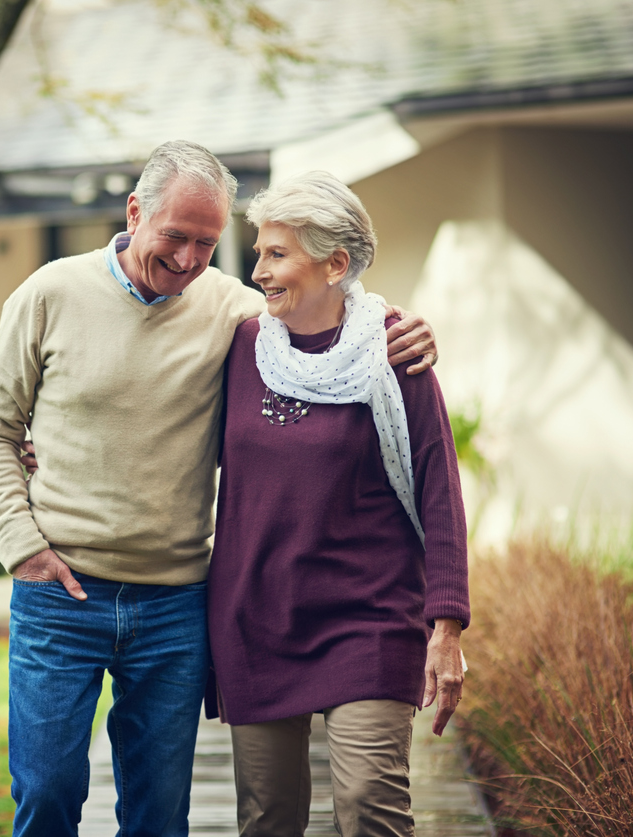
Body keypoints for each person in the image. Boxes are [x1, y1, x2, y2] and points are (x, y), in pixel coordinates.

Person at [0, 141, 439, 837]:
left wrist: (402, 327)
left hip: (174, 603)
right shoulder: (47, 294)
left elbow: (323, 304)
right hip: (59, 594)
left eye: (207, 243)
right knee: (47, 792)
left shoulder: (236, 314)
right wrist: (23, 546)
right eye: (176, 237)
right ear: (136, 212)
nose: (190, 259)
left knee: (160, 812)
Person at [206, 170, 469, 837]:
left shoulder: (393, 350)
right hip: (257, 619)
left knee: (370, 810)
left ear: (336, 263)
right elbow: (157, 424)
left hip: (368, 617)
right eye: (259, 251)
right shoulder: (240, 348)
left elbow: (439, 489)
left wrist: (446, 628)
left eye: (276, 254)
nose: (258, 271)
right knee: (267, 820)